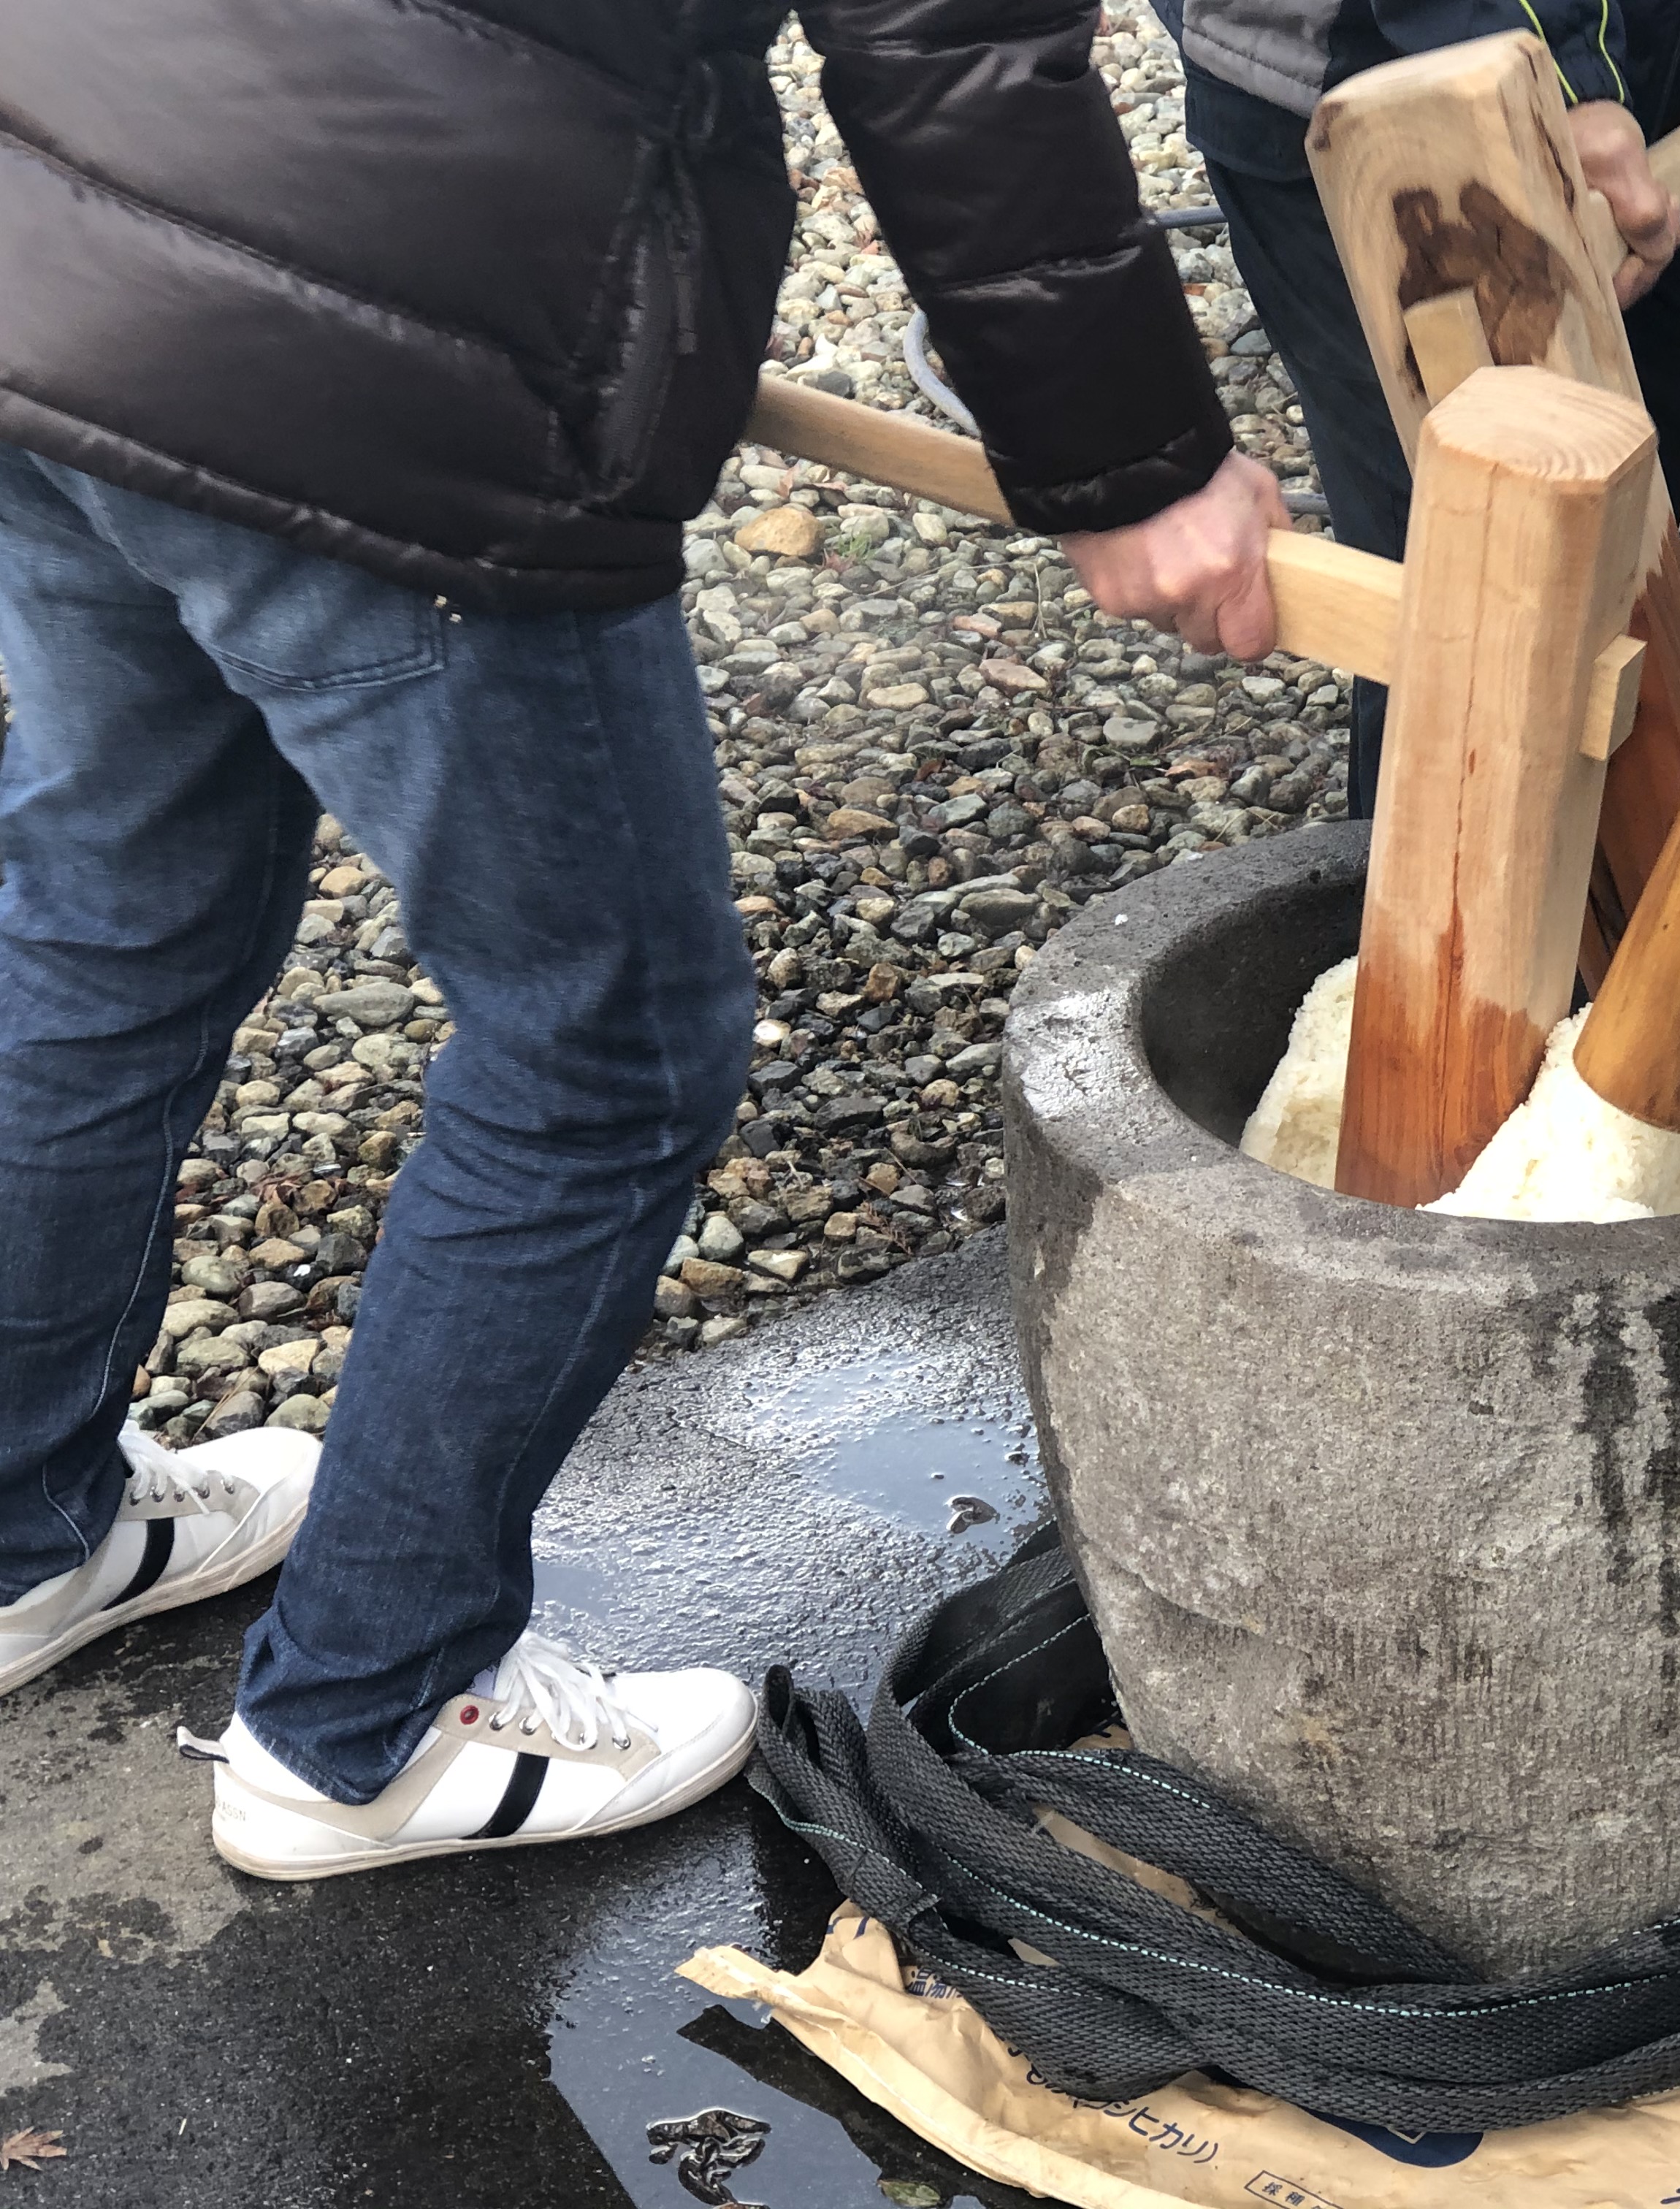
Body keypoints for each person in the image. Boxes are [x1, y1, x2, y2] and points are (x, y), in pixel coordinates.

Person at [0, 0, 1280, 1877]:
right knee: (599, 1051)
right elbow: (947, 40)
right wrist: (1138, 458)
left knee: (116, 914)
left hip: (54, 209)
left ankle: (22, 1545)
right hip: (404, 338)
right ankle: (360, 1728)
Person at [1156, 0, 1680, 811]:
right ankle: (1439, 930)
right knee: (1480, 628)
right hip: (1376, 80)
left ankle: (1635, 910)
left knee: (1617, 540)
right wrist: (1551, 73)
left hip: (1623, 64)